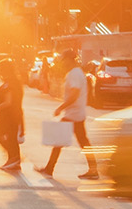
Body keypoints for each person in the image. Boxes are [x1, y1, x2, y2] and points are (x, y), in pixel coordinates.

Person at [36, 50, 98, 179]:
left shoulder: (74, 74)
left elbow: (75, 94)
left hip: (73, 114)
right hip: (76, 113)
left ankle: (49, 169)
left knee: (61, 141)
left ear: (69, 59)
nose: (62, 63)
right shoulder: (78, 72)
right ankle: (93, 169)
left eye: (63, 60)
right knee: (81, 142)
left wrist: (61, 107)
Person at [0, 58, 26, 171]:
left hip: (10, 116)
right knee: (10, 138)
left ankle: (14, 158)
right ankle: (14, 160)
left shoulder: (10, 84)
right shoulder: (13, 82)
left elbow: (8, 102)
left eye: (0, 69)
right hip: (12, 115)